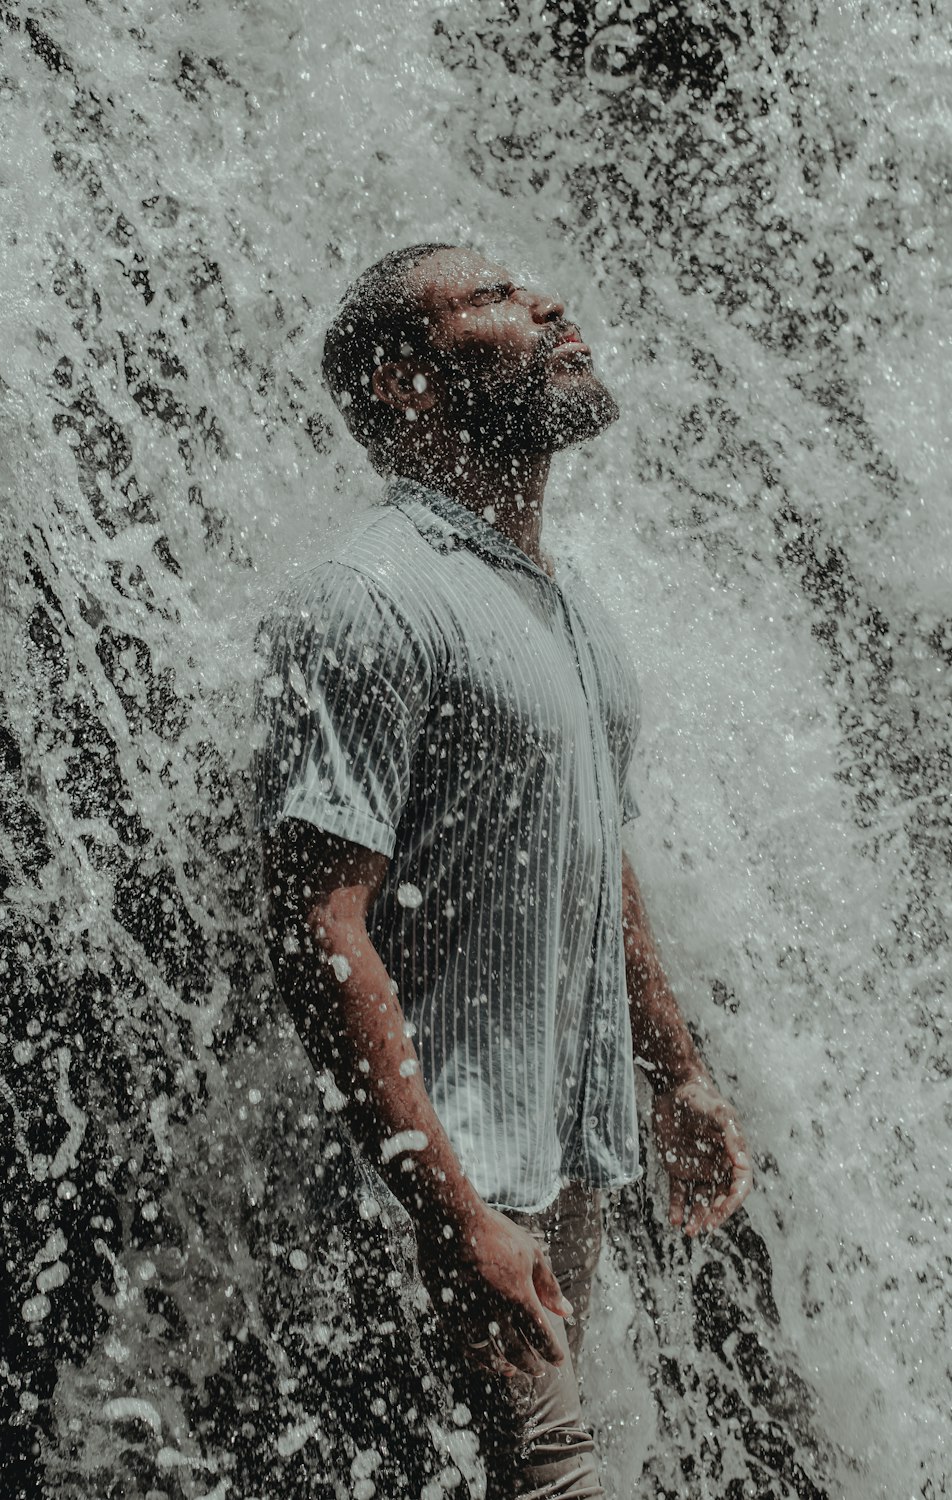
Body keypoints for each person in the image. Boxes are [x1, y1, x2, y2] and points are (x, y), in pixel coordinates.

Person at [255, 243, 753, 1497]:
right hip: (447, 1177)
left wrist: (678, 1076)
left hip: (556, 1162)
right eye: (484, 300)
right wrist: (450, 1213)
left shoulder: (561, 600)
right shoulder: (371, 597)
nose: (543, 305)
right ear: (402, 386)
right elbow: (318, 922)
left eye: (524, 287)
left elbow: (596, 848)